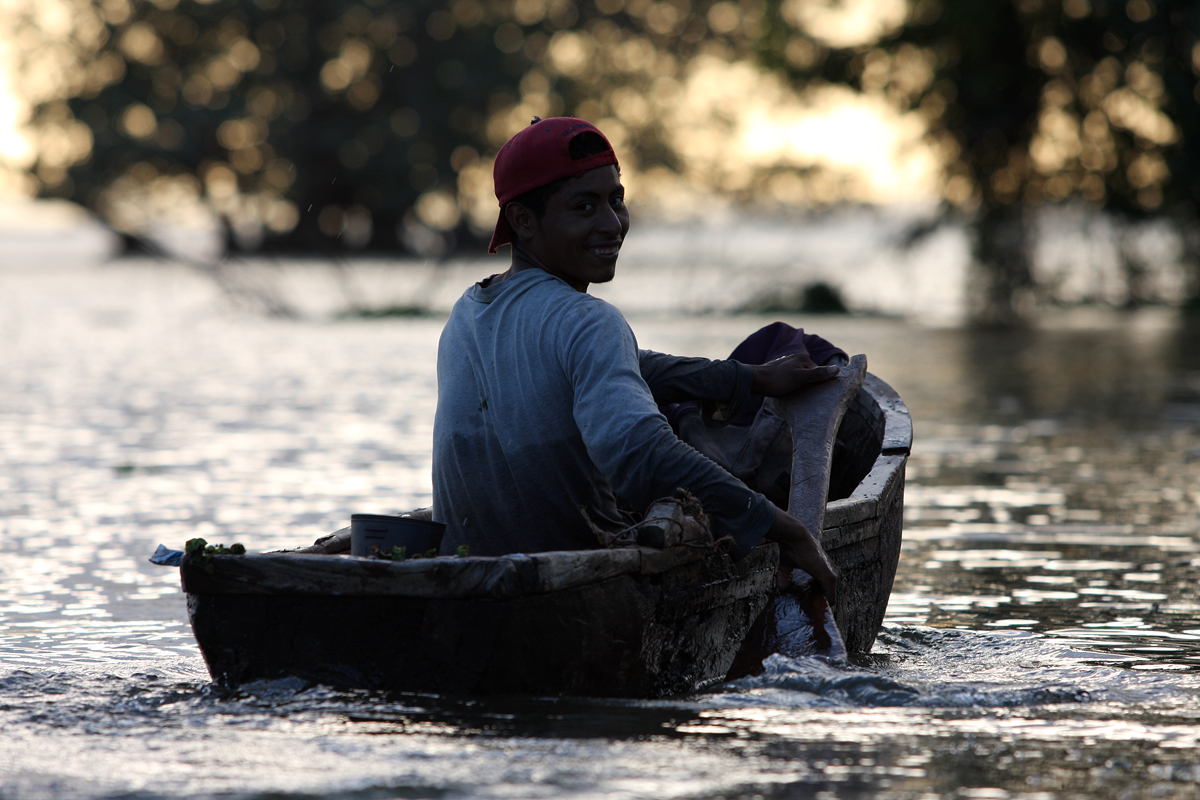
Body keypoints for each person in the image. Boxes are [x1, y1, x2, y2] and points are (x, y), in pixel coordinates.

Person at [431, 117, 839, 602]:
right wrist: (780, 527)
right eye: (585, 207)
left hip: (466, 575)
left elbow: (624, 367)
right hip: (579, 587)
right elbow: (637, 452)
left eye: (616, 200)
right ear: (522, 221)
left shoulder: (468, 311)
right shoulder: (588, 319)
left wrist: (749, 378)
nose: (612, 223)